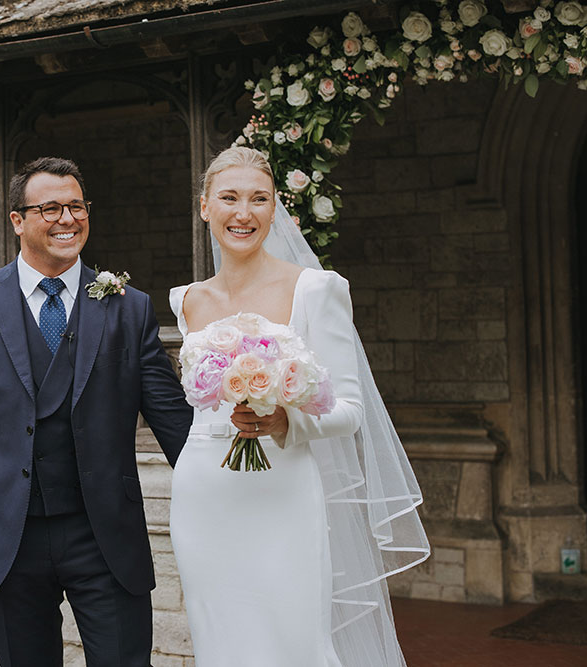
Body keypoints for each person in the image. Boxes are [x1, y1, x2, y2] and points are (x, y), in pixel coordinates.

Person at [0, 156, 192, 667]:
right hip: (6, 533)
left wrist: (236, 470)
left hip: (105, 535)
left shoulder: (128, 307)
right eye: (50, 208)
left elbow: (173, 421)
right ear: (17, 220)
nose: (67, 219)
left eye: (77, 206)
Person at [169, 146, 429, 666]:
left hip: (282, 489)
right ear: (204, 207)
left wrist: (287, 419)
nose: (243, 213)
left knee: (293, 640)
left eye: (258, 199)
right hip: (203, 490)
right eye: (229, 198)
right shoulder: (187, 299)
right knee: (218, 638)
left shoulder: (316, 289)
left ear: (275, 208)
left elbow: (351, 409)